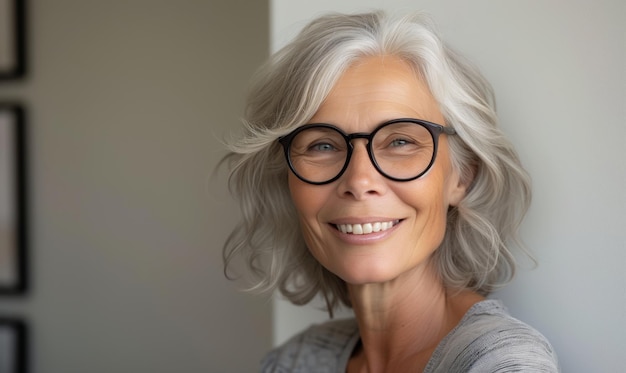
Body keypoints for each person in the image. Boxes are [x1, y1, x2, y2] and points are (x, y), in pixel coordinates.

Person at [222, 10, 560, 372]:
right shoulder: (296, 362)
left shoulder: (499, 362)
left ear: (461, 177)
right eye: (322, 145)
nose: (359, 181)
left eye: (400, 141)